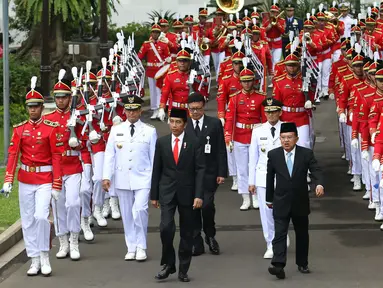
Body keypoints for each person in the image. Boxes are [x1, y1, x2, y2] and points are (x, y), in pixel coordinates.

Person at [1, 77, 63, 276]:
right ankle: (34, 259)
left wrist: (57, 184)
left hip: (45, 179)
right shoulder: (20, 129)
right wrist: (8, 180)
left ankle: (44, 256)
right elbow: (13, 155)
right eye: (30, 107)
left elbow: (56, 156)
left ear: (42, 108)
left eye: (36, 107)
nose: (33, 110)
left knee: (41, 217)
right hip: (26, 179)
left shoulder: (50, 128)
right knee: (28, 221)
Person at [150, 108, 205, 282]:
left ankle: (183, 268)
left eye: (178, 122)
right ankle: (168, 263)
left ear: (185, 124)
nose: (174, 125)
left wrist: (198, 195)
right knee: (166, 228)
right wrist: (154, 194)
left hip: (188, 193)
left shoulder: (195, 142)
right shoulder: (162, 142)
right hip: (167, 192)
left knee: (187, 232)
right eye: (172, 121)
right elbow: (156, 169)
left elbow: (200, 170)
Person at [266, 122, 324, 279]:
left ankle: (302, 263)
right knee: (279, 234)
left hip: (300, 200)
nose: (286, 141)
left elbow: (316, 170)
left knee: (302, 234)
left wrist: (318, 184)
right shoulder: (274, 155)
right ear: (280, 139)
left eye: (289, 137)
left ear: (296, 139)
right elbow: (270, 177)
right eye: (283, 137)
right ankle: (278, 265)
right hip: (280, 200)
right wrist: (269, 198)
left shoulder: (306, 154)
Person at [102, 95, 157, 261]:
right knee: (127, 214)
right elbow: (109, 155)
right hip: (122, 177)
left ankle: (141, 246)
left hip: (143, 177)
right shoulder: (116, 130)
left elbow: (154, 157)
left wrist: (155, 182)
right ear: (124, 110)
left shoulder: (149, 131)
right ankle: (131, 246)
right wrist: (106, 176)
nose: (131, 113)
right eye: (128, 110)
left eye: (135, 110)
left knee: (139, 210)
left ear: (140, 111)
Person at [44, 71, 83, 261]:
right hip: (56, 168)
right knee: (58, 204)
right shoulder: (48, 119)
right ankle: (63, 242)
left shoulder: (77, 115)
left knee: (73, 202)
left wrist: (78, 140)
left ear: (70, 98)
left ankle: (74, 240)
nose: (60, 101)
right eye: (58, 97)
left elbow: (87, 142)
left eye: (64, 97)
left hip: (73, 164)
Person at [185, 92, 227, 256]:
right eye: (192, 109)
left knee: (207, 206)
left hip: (209, 173)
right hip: (189, 175)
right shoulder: (184, 125)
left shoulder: (214, 124)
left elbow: (221, 150)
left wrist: (222, 172)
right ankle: (196, 240)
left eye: (198, 109)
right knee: (193, 208)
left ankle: (210, 235)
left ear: (204, 108)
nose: (195, 112)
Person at [249, 98, 287, 259]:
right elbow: (253, 157)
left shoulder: (286, 129)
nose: (270, 115)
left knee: (283, 211)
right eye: (268, 112)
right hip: (263, 176)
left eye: (273, 112)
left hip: (283, 176)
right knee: (266, 213)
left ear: (280, 112)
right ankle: (270, 243)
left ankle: (282, 235)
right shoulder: (257, 131)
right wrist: (251, 181)